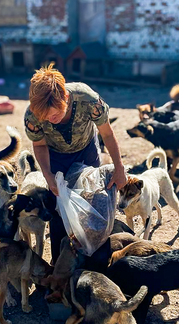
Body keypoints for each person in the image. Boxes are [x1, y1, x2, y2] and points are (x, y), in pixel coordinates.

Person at [24, 63, 127, 262]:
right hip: (55, 156)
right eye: (46, 118)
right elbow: (39, 146)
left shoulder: (88, 99)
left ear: (66, 98)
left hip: (86, 151)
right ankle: (59, 263)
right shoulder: (33, 116)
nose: (51, 121)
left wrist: (119, 168)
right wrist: (48, 176)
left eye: (54, 115)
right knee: (58, 208)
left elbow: (107, 133)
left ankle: (93, 257)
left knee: (94, 202)